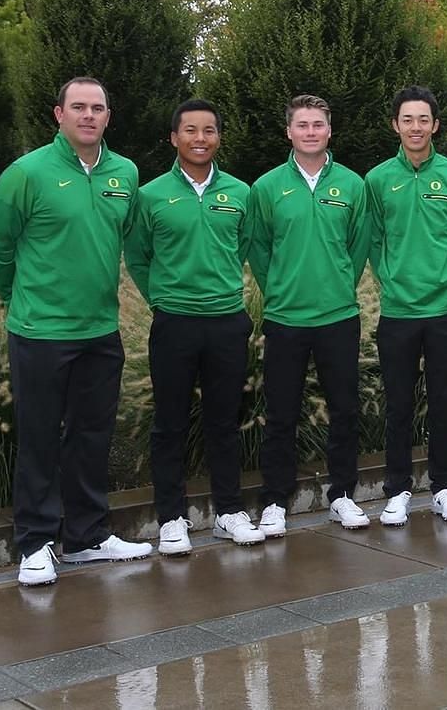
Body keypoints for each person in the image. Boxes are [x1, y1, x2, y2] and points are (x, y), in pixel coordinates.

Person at [0, 77, 153, 586]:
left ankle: (87, 537)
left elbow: (122, 239)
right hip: (40, 330)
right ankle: (35, 542)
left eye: (97, 108)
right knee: (39, 437)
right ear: (59, 114)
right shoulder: (27, 173)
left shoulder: (125, 173)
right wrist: (22, 298)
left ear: (108, 116)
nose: (88, 116)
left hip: (100, 328)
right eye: (78, 107)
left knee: (92, 435)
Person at [125, 99, 265, 554]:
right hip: (175, 324)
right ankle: (172, 519)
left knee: (224, 422)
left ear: (219, 137)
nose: (200, 138)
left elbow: (243, 245)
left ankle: (228, 512)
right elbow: (139, 256)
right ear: (174, 138)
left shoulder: (241, 193)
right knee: (168, 424)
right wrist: (163, 298)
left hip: (226, 321)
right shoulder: (150, 195)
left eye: (208, 130)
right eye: (190, 130)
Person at [246, 94, 371, 536]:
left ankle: (342, 495)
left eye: (318, 124)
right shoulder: (266, 187)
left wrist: (340, 281)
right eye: (302, 125)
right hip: (285, 317)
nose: (311, 131)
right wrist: (276, 286)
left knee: (344, 410)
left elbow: (359, 245)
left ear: (329, 131)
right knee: (281, 413)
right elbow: (257, 246)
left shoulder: (353, 185)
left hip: (338, 314)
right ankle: (275, 502)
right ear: (289, 132)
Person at [365, 86, 447, 525]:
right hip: (398, 310)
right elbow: (372, 240)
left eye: (423, 119)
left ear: (435, 125)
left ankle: (444, 486)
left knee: (444, 399)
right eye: (407, 119)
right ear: (396, 125)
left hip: (444, 306)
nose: (416, 127)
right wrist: (389, 278)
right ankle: (398, 489)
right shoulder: (377, 180)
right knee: (399, 403)